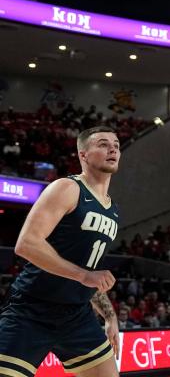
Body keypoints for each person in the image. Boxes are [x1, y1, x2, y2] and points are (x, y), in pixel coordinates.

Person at [0, 127, 122, 377]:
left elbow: (89, 272)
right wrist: (84, 276)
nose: (112, 149)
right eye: (102, 144)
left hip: (76, 315)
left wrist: (109, 316)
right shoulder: (67, 188)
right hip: (32, 309)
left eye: (117, 145)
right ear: (83, 155)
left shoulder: (113, 210)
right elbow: (27, 243)